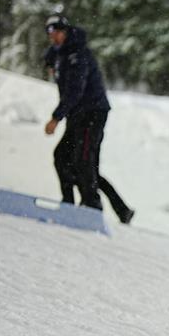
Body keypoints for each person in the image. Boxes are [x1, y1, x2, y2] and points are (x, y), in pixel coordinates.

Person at [43, 15, 134, 224]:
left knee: (83, 162)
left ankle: (92, 209)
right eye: (50, 33)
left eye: (56, 31)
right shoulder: (60, 54)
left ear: (65, 31)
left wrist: (56, 118)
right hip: (77, 114)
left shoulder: (78, 55)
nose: (53, 37)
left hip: (92, 113)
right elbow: (53, 58)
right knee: (63, 157)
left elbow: (75, 90)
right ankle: (71, 204)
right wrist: (51, 62)